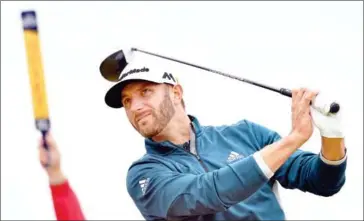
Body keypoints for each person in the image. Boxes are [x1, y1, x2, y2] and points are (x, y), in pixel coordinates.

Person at [39, 52, 347, 220]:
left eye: (146, 92)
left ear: (176, 92)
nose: (136, 106)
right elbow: (206, 194)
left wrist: (332, 136)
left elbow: (323, 181)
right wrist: (292, 139)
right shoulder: (145, 174)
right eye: (128, 101)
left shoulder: (245, 134)